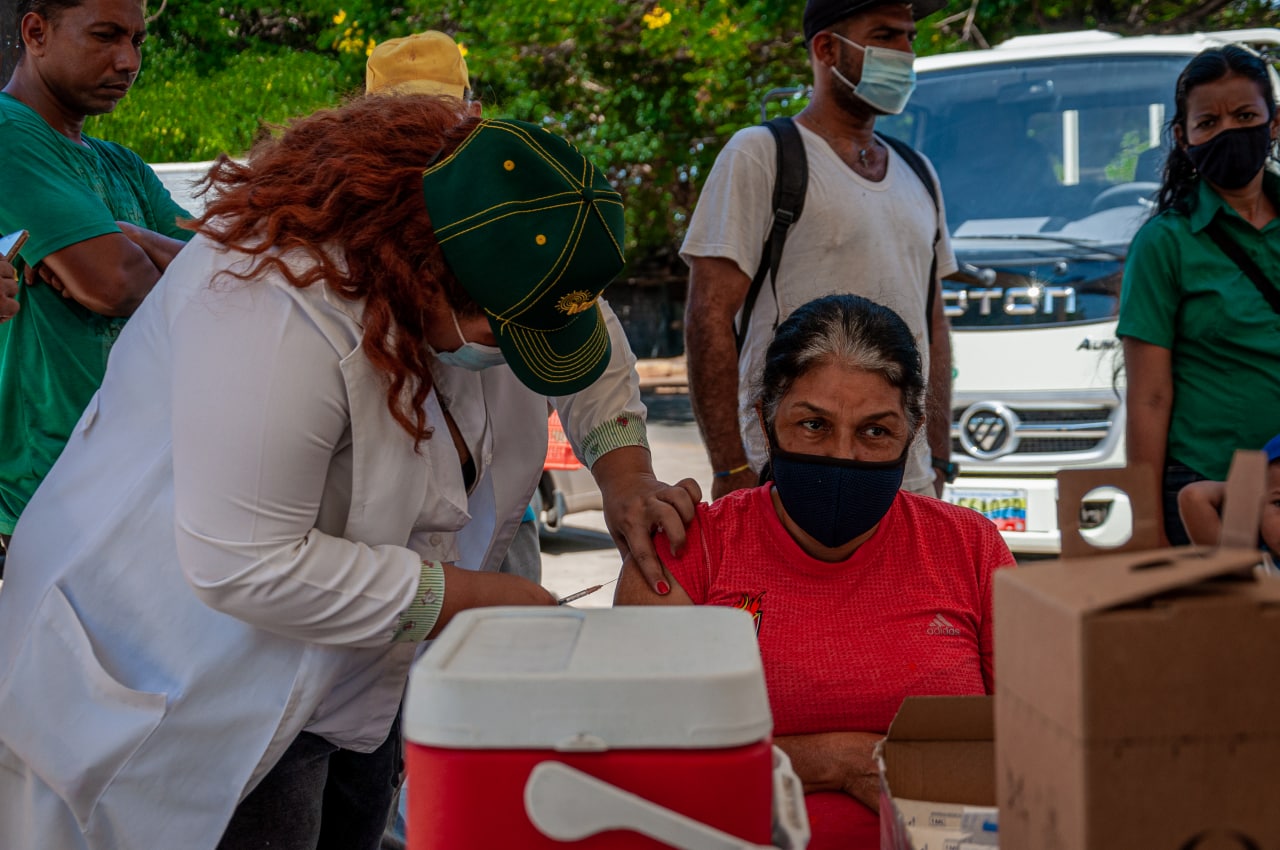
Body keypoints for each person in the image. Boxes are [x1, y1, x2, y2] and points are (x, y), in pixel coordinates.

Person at [0, 99, 695, 850]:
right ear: (426, 274)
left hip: (357, 669)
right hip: (191, 669)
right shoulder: (278, 297)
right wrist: (471, 596)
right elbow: (242, 560)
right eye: (503, 336)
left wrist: (626, 472)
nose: (514, 357)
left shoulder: (506, 255)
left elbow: (587, 337)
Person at [616, 294, 1014, 850]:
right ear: (766, 421)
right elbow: (639, 763)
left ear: (914, 431)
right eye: (813, 425)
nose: (842, 456)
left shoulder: (968, 548)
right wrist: (839, 760)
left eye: (875, 432)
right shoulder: (687, 553)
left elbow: (1037, 741)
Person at [682, 0, 955, 503]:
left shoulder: (919, 173)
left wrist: (937, 457)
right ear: (827, 49)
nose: (906, 53)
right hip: (792, 470)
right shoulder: (761, 154)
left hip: (906, 477)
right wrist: (732, 465)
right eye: (886, 36)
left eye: (910, 37)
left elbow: (933, 324)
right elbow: (708, 316)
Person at [0, 0, 193, 540]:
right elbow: (117, 283)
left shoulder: (122, 163)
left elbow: (238, 272)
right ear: (36, 33)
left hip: (143, 482)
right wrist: (171, 273)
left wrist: (135, 239)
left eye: (138, 41)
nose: (128, 61)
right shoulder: (8, 132)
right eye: (106, 36)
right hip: (53, 498)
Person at [1118, 44, 1280, 545]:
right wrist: (1147, 526)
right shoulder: (1164, 243)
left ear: (1274, 123)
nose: (1228, 131)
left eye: (1245, 116)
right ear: (1183, 138)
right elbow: (1149, 397)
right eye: (1208, 122)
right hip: (1205, 497)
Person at [1178, 432, 1280, 570]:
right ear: (1257, 504)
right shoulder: (1244, 565)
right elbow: (1194, 496)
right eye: (1278, 503)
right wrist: (1245, 491)